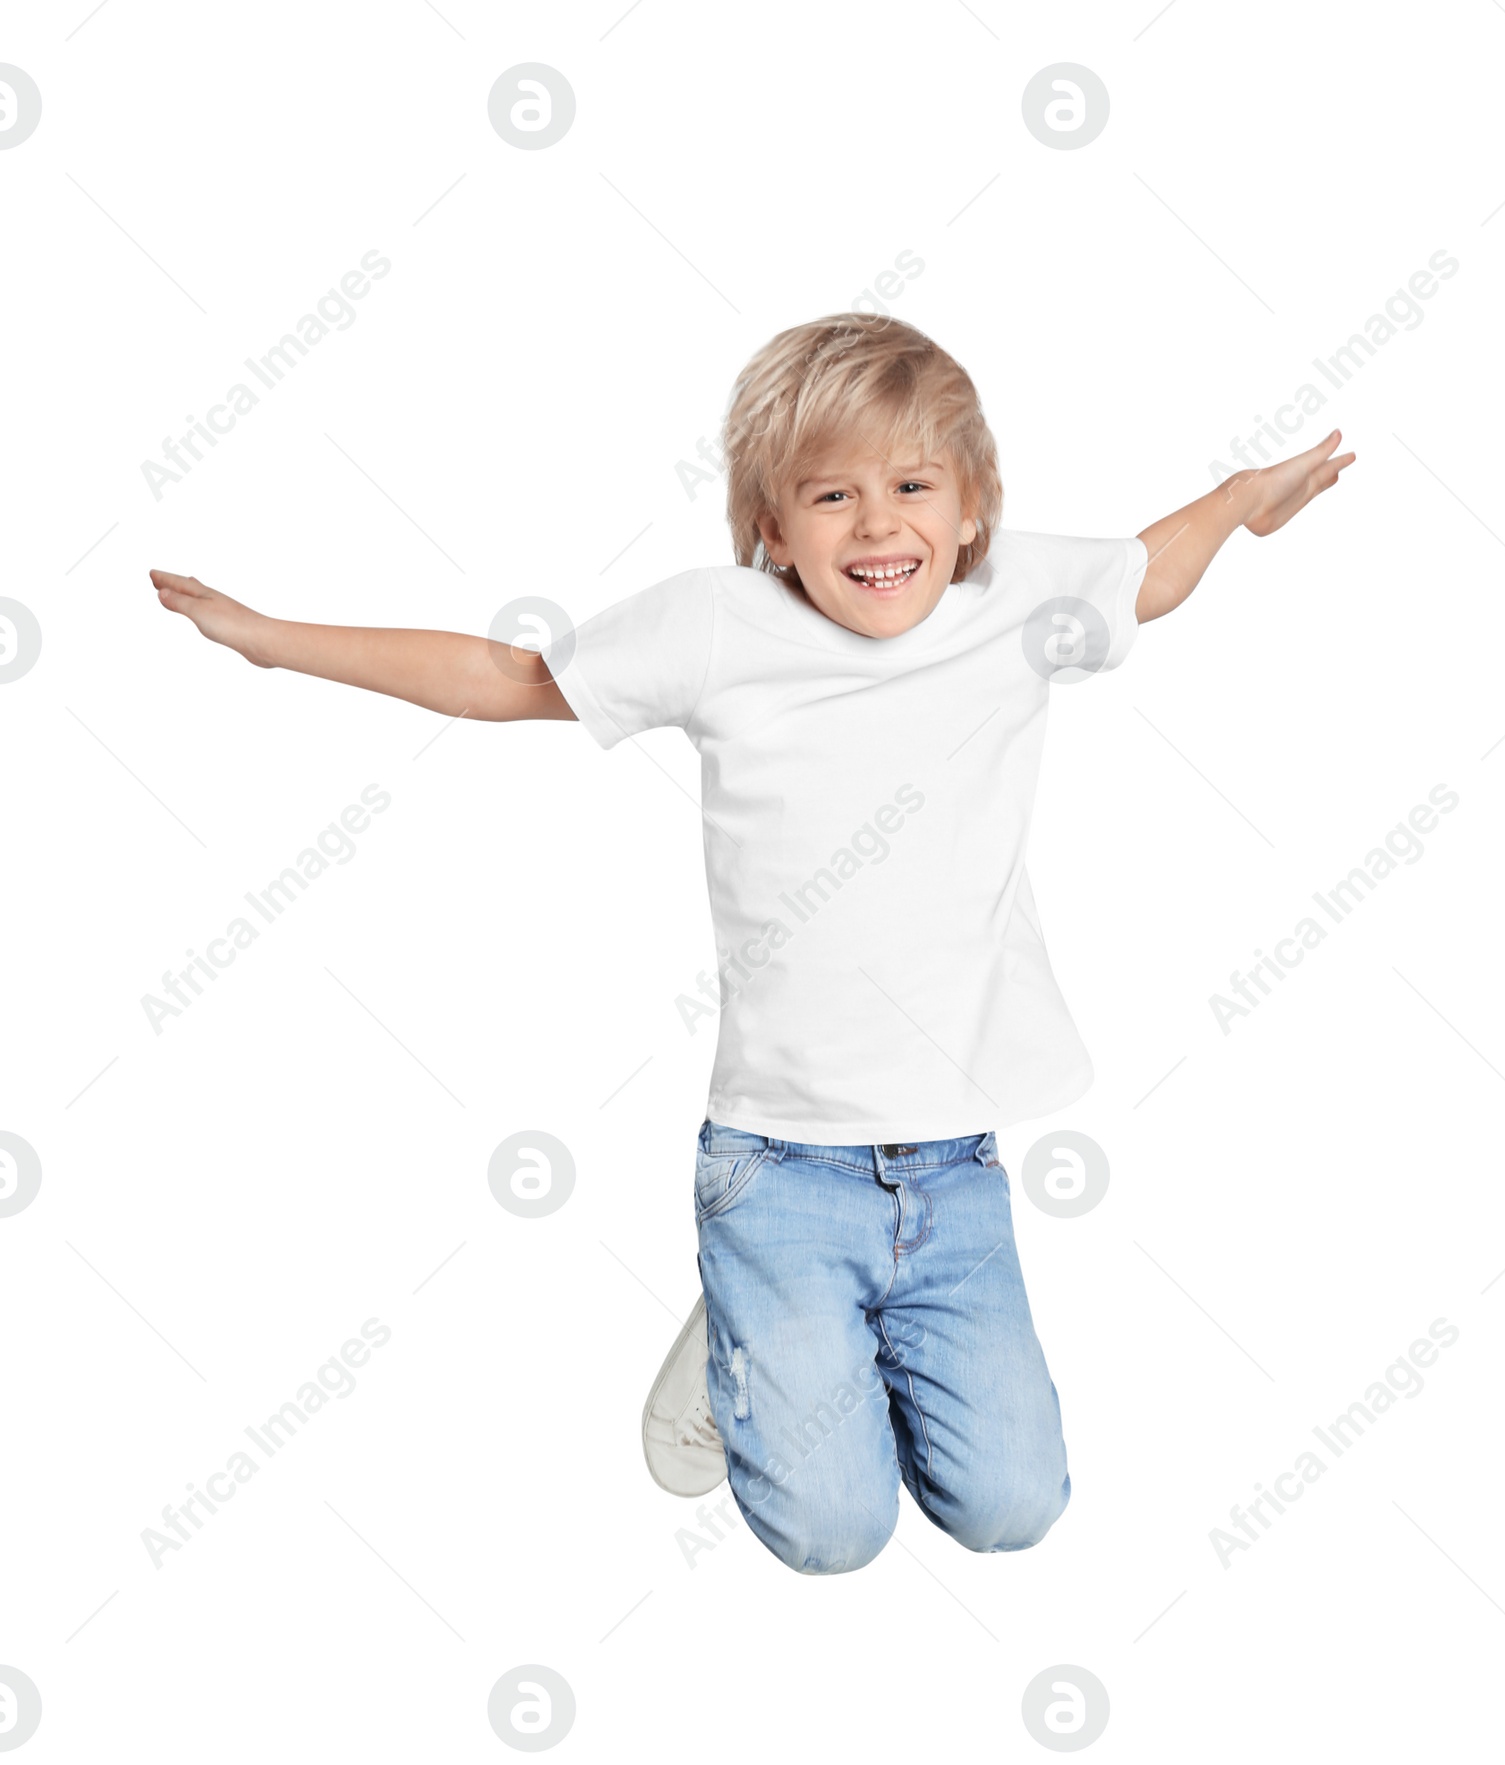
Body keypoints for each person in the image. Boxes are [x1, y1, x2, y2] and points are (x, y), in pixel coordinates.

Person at [151, 312, 1353, 1574]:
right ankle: (759, 1322)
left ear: (970, 508)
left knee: (1011, 1510)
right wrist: (272, 640)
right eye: (830, 495)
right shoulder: (716, 625)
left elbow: (1147, 572)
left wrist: (1237, 500)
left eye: (910, 488)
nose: (878, 525)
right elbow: (508, 678)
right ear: (773, 527)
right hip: (775, 1169)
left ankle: (817, 1346)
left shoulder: (1018, 601)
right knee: (829, 1537)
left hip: (952, 1167)